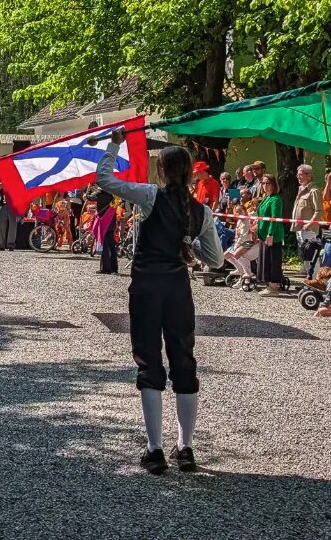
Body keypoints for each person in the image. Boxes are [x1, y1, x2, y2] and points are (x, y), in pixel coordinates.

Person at [93, 131, 223, 474]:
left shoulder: (150, 195)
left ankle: (155, 449)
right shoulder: (201, 211)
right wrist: (190, 243)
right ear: (190, 173)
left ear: (162, 171)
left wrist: (114, 144)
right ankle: (186, 447)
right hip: (178, 288)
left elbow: (104, 179)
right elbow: (216, 260)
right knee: (184, 360)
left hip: (147, 286)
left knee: (149, 361)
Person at [291, 164, 322, 280]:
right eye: (297, 174)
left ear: (308, 176)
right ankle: (308, 280)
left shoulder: (313, 190)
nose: (298, 177)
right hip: (300, 229)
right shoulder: (301, 189)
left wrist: (310, 224)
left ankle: (315, 281)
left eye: (300, 174)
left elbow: (318, 211)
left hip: (309, 230)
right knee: (305, 256)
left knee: (311, 255)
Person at [256, 174, 285, 297]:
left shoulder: (276, 199)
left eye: (268, 183)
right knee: (266, 260)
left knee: (273, 260)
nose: (265, 185)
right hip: (263, 234)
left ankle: (273, 287)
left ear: (273, 184)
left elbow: (275, 217)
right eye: (263, 183)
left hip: (272, 234)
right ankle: (269, 285)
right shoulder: (266, 198)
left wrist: (270, 233)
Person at [224, 199, 259, 288]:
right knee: (226, 255)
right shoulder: (239, 221)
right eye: (236, 211)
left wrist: (237, 245)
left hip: (249, 242)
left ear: (244, 211)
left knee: (236, 254)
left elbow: (243, 236)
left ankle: (247, 272)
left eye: (240, 211)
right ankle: (240, 269)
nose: (238, 213)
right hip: (240, 242)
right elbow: (238, 235)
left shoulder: (246, 221)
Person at [94, 189, 118, 274]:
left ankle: (106, 268)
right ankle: (114, 268)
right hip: (111, 221)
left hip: (104, 223)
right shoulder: (114, 193)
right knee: (112, 246)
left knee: (105, 245)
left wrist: (89, 189)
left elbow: (89, 197)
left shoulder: (100, 193)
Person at [0, 184, 19, 251]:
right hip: (3, 205)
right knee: (1, 225)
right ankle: (0, 245)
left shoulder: (16, 182)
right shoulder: (3, 182)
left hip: (13, 206)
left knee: (12, 226)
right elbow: (0, 192)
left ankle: (11, 245)